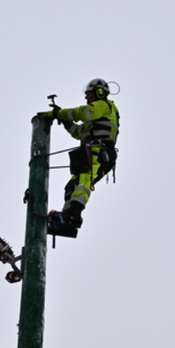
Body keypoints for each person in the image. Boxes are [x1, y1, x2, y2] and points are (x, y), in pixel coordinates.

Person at [36, 78, 120, 237]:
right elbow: (78, 133)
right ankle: (65, 219)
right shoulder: (97, 116)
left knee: (83, 180)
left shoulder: (103, 106)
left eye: (89, 94)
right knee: (72, 186)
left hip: (100, 152)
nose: (86, 97)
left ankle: (72, 216)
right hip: (92, 151)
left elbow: (81, 113)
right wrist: (65, 121)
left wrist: (58, 113)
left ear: (99, 92)